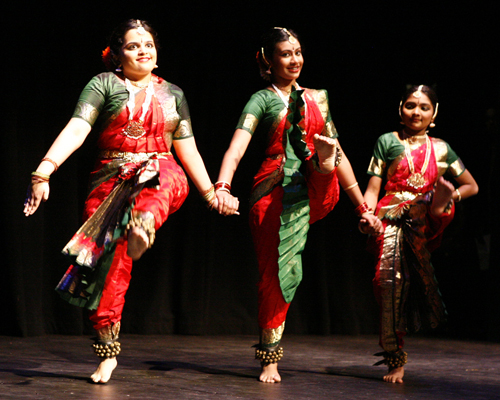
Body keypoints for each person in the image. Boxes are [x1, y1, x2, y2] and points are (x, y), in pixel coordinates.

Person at [23, 19, 237, 384]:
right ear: (117, 55)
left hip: (159, 169)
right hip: (109, 183)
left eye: (149, 44)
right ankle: (107, 352)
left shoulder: (174, 93)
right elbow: (77, 128)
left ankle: (143, 224)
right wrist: (44, 171)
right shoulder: (103, 84)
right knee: (106, 272)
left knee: (161, 177)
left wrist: (212, 193)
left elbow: (188, 149)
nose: (143, 50)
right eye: (134, 45)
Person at [216, 27, 382, 383]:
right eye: (286, 54)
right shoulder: (262, 99)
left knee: (328, 158)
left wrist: (363, 208)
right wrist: (223, 185)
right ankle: (270, 359)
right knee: (274, 276)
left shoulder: (317, 99)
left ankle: (321, 162)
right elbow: (237, 147)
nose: (295, 59)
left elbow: (344, 156)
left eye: (299, 52)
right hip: (274, 190)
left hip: (314, 186)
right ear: (268, 61)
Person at [363, 85, 479, 383]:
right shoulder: (386, 142)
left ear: (434, 113)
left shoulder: (441, 148)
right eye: (411, 105)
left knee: (441, 201)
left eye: (424, 107)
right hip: (389, 216)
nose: (417, 112)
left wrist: (451, 197)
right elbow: (374, 189)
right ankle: (395, 356)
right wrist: (366, 213)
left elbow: (472, 185)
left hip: (424, 216)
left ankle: (440, 202)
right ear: (401, 107)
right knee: (387, 283)